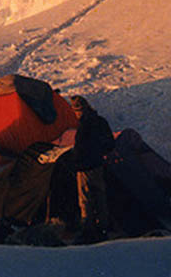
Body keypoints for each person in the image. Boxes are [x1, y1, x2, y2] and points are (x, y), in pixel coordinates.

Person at [70, 95, 115, 242]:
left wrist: (75, 164)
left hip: (85, 167)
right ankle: (103, 227)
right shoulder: (100, 121)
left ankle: (87, 230)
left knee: (85, 200)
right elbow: (110, 143)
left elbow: (80, 149)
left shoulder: (84, 126)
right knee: (100, 197)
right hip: (98, 165)